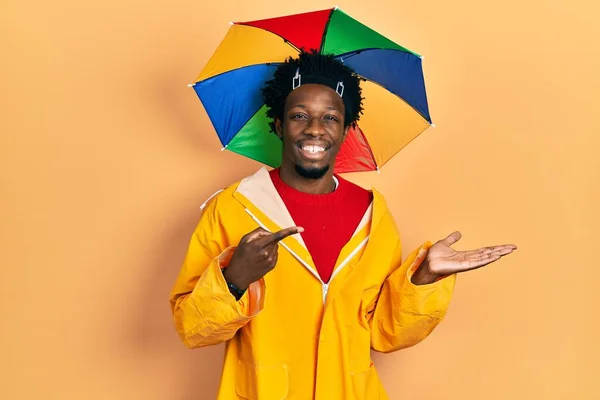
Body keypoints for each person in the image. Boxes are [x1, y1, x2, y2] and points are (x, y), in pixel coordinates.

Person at [169, 50, 516, 400]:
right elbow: (193, 329)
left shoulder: (372, 214)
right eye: (299, 116)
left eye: (330, 118)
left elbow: (385, 333)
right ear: (277, 124)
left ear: (347, 129)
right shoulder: (232, 208)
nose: (315, 129)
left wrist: (424, 277)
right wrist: (234, 279)